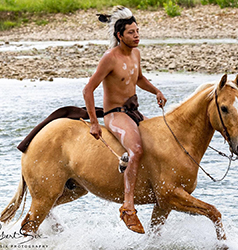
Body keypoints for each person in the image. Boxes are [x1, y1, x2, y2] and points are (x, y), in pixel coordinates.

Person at [82, 6, 167, 234]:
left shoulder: (136, 54)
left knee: (162, 139)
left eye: (138, 31)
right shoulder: (109, 58)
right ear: (120, 36)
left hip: (133, 112)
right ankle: (128, 206)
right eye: (131, 32)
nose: (137, 35)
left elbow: (139, 79)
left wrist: (156, 91)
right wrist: (93, 122)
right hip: (115, 115)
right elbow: (88, 89)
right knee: (137, 149)